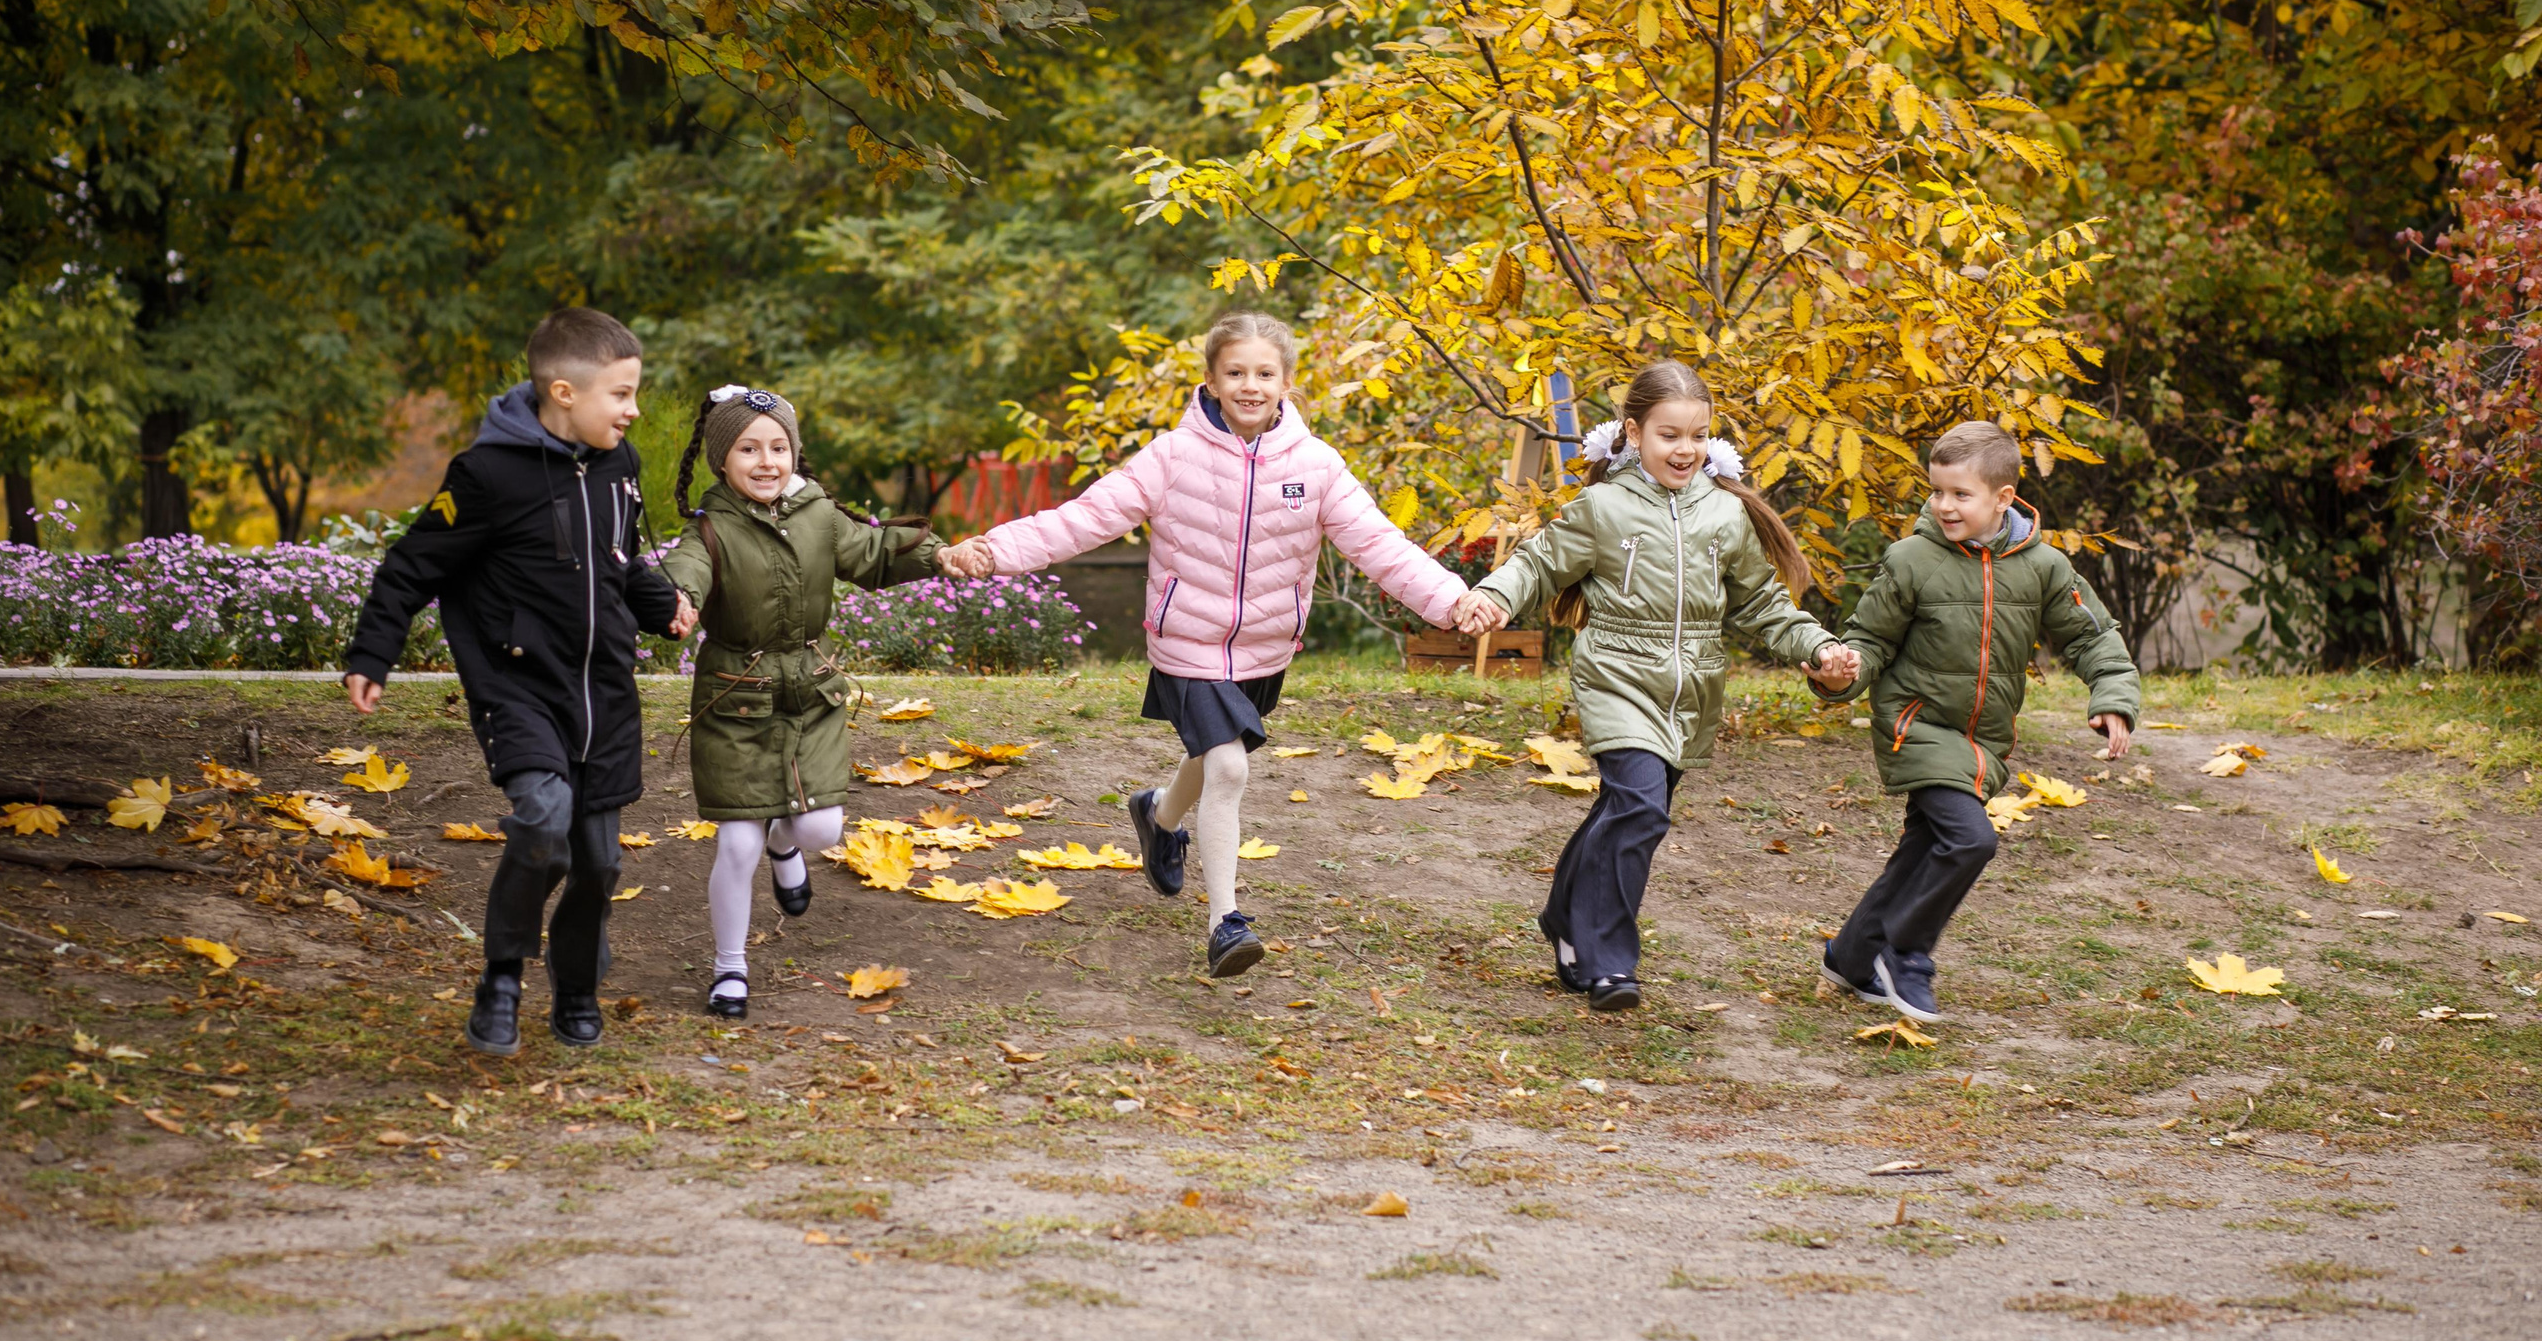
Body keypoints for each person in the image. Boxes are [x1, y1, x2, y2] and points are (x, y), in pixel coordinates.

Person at [937, 311, 1467, 978]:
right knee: (1230, 768)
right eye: (1236, 372)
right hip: (1188, 643)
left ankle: (1157, 817)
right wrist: (996, 550)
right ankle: (1226, 922)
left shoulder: (1317, 466)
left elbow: (1381, 545)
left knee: (1217, 753)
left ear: (1287, 384)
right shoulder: (1170, 457)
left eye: (1264, 373)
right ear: (1211, 381)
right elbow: (1086, 517)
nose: (1250, 385)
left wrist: (1451, 600)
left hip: (1264, 649)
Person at [344, 307, 696, 1056]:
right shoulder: (486, 475)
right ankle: (502, 974)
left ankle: (575, 988)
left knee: (599, 861)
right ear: (564, 392)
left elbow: (622, 558)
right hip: (519, 687)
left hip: (604, 695)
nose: (634, 410)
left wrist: (662, 603)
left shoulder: (618, 467)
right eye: (622, 394)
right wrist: (372, 655)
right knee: (541, 823)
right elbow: (412, 564)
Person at [1458, 360, 1860, 1012]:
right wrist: (1494, 596)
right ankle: (1609, 961)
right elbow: (1537, 562)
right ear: (1634, 432)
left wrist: (1818, 647)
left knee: (1625, 810)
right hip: (1616, 674)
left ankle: (1564, 916)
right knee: (1640, 807)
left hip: (1689, 689)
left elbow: (1762, 603)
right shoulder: (1604, 506)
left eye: (1698, 435)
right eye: (1670, 434)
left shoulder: (1724, 515)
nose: (1685, 449)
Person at [1807, 418, 2140, 1024]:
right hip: (1918, 727)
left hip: (1983, 740)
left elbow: (2094, 637)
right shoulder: (1911, 560)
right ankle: (1906, 955)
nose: (1944, 505)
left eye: (1961, 494)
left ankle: (1854, 957)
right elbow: (1869, 642)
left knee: (1924, 848)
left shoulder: (2041, 566)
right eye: (1937, 492)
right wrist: (1841, 675)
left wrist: (2112, 696)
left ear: (2003, 498)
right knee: (1970, 839)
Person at [659, 385, 941, 1020]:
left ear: (795, 452)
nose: (766, 461)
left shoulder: (816, 514)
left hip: (812, 692)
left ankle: (785, 845)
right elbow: (686, 570)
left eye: (779, 447)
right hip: (737, 699)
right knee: (736, 844)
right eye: (748, 449)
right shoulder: (710, 529)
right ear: (721, 461)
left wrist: (941, 555)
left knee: (820, 828)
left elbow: (869, 553)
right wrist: (677, 599)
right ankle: (729, 969)